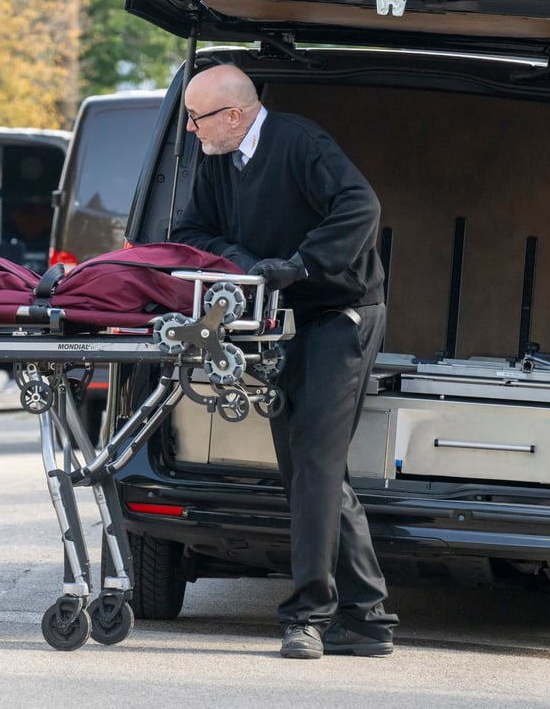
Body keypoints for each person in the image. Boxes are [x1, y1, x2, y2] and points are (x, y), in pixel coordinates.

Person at [171, 63, 399, 659]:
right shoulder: (218, 160)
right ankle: (369, 619)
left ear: (236, 114)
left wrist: (300, 265)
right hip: (281, 322)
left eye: (197, 117)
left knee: (316, 465)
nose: (191, 128)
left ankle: (308, 618)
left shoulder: (299, 142)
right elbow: (192, 229)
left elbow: (361, 208)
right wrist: (244, 259)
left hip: (340, 315)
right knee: (304, 468)